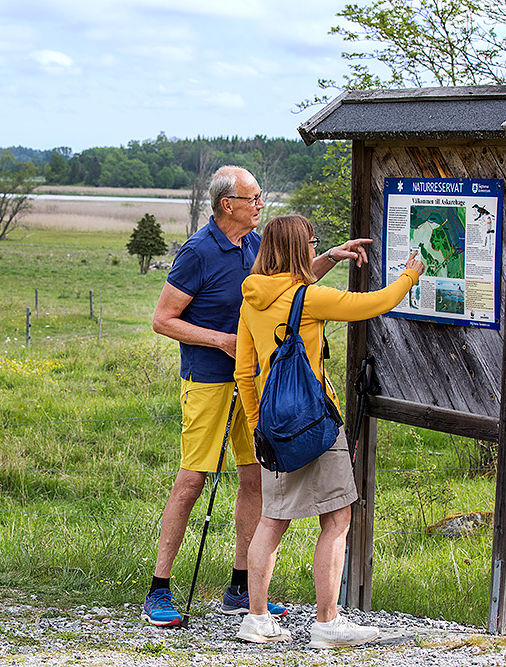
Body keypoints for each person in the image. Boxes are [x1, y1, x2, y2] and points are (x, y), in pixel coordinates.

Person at [145, 166, 374, 627]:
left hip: (259, 386)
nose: (260, 205)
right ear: (227, 204)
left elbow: (291, 288)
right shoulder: (196, 253)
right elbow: (163, 319)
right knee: (193, 479)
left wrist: (328, 256)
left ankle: (240, 586)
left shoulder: (255, 245)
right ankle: (159, 589)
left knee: (254, 479)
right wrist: (222, 341)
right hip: (210, 379)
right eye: (252, 199)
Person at [232, 214, 424, 648]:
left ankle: (256, 618)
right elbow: (373, 304)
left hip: (272, 428)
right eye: (313, 243)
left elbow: (244, 371)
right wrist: (411, 274)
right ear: (301, 249)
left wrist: (257, 424)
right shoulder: (309, 298)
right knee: (337, 519)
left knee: (271, 519)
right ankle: (327, 623)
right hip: (315, 424)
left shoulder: (250, 298)